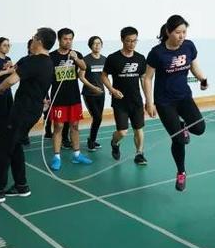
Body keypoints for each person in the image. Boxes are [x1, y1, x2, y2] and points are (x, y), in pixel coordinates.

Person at [0, 28, 56, 203]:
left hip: (23, 111)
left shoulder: (35, 61)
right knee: (15, 144)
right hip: (32, 110)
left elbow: (11, 80)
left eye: (34, 37)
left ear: (40, 41)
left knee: (3, 146)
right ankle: (21, 185)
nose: (32, 39)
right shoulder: (48, 62)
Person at [143, 15, 208, 191]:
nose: (182, 36)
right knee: (178, 139)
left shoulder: (189, 46)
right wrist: (149, 102)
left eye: (184, 32)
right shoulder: (157, 53)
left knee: (199, 129)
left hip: (184, 97)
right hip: (164, 102)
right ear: (168, 32)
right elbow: (147, 78)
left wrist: (202, 78)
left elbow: (193, 65)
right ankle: (181, 172)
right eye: (178, 32)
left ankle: (183, 125)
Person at [101, 27, 148, 165]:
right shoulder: (113, 58)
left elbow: (143, 79)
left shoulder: (140, 58)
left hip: (136, 100)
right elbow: (103, 76)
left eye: (135, 41)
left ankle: (139, 154)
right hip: (120, 102)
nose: (132, 44)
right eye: (129, 41)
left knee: (138, 129)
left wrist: (148, 99)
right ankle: (114, 143)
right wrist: (112, 89)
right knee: (122, 132)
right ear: (122, 40)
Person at [48, 28, 92, 170]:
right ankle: (56, 157)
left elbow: (84, 67)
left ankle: (77, 155)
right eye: (65, 39)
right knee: (59, 127)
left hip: (74, 97)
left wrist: (75, 58)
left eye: (70, 39)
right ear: (59, 40)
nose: (68, 41)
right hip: (58, 98)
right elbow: (46, 78)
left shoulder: (76, 54)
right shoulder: (51, 56)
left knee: (74, 125)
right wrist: (45, 97)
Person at [79, 36, 106, 152]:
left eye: (99, 43)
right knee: (97, 117)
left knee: (98, 119)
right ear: (90, 46)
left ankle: (92, 139)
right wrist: (93, 87)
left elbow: (105, 77)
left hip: (101, 93)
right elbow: (81, 77)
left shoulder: (104, 59)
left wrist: (111, 89)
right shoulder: (85, 60)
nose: (97, 45)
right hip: (89, 94)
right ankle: (91, 141)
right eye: (95, 43)